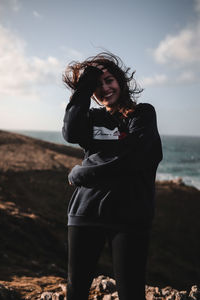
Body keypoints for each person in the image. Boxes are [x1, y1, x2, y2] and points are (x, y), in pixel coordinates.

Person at [62, 52, 163, 300]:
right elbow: (70, 132)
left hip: (130, 215)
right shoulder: (93, 118)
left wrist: (81, 172)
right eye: (98, 85)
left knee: (131, 292)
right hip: (86, 211)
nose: (105, 88)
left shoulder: (142, 115)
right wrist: (84, 86)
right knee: (76, 291)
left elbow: (133, 160)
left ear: (120, 81)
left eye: (109, 80)